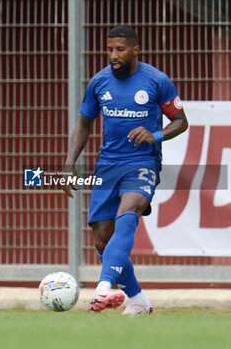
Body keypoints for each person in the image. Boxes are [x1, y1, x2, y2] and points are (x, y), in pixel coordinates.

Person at [62, 26, 188, 314]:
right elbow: (84, 124)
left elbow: (181, 122)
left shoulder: (157, 81)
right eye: (110, 50)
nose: (113, 55)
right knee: (103, 239)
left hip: (143, 163)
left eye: (120, 49)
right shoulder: (99, 82)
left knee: (128, 212)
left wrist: (155, 135)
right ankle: (140, 301)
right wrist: (69, 165)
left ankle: (103, 288)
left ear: (135, 50)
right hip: (108, 165)